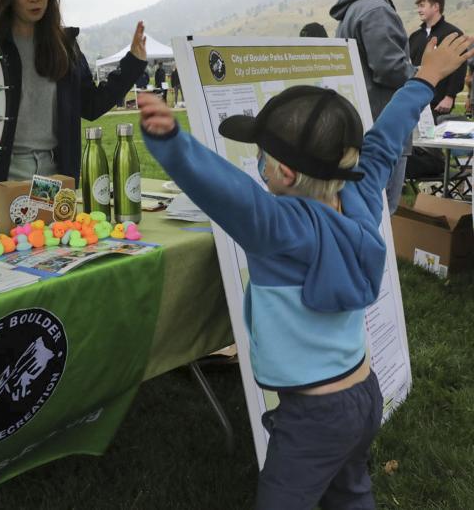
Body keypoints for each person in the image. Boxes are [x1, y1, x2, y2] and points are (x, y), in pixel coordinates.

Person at [138, 33, 474, 510]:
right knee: (349, 490)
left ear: (284, 174)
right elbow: (385, 138)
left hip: (312, 413)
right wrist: (425, 78)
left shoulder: (278, 230)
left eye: (261, 155)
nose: (256, 165)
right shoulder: (360, 191)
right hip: (362, 391)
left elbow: (228, 192)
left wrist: (173, 143)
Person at [0, 0, 147, 208]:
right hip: (2, 178)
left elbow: (92, 105)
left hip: (51, 178)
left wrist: (133, 62)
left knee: (49, 244)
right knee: (6, 246)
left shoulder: (65, 45)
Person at [330, 0, 415, 214]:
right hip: (384, 131)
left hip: (360, 128)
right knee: (380, 214)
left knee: (361, 212)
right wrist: (426, 74)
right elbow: (390, 69)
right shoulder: (376, 9)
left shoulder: (353, 10)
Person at [409, 0, 466, 120]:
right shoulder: (414, 37)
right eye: (418, 6)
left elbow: (459, 67)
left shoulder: (453, 34)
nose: (419, 10)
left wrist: (450, 96)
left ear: (436, 7)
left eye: (422, 6)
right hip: (415, 101)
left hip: (439, 103)